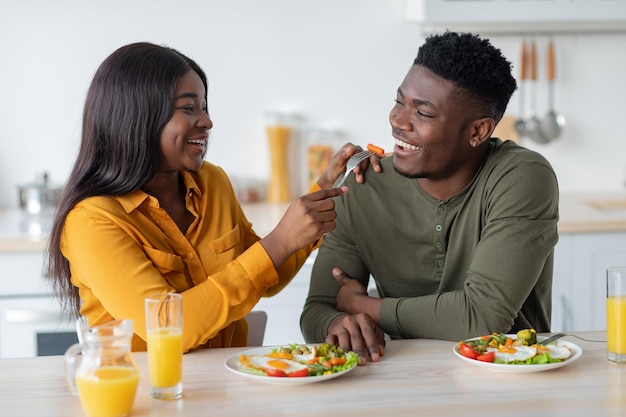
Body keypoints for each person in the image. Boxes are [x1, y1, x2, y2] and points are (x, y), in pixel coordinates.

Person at [45, 42, 379, 352]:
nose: (207, 121)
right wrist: (278, 242)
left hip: (225, 386)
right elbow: (167, 326)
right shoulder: (92, 220)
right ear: (138, 117)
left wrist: (320, 196)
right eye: (188, 108)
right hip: (144, 397)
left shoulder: (212, 183)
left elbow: (263, 278)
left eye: (203, 107)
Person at [300, 31, 559, 363]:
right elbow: (317, 309)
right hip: (398, 378)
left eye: (422, 113)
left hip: (508, 378)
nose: (397, 121)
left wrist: (365, 306)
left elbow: (481, 317)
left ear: (478, 131)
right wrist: (341, 322)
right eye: (399, 101)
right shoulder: (364, 185)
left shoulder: (521, 176)